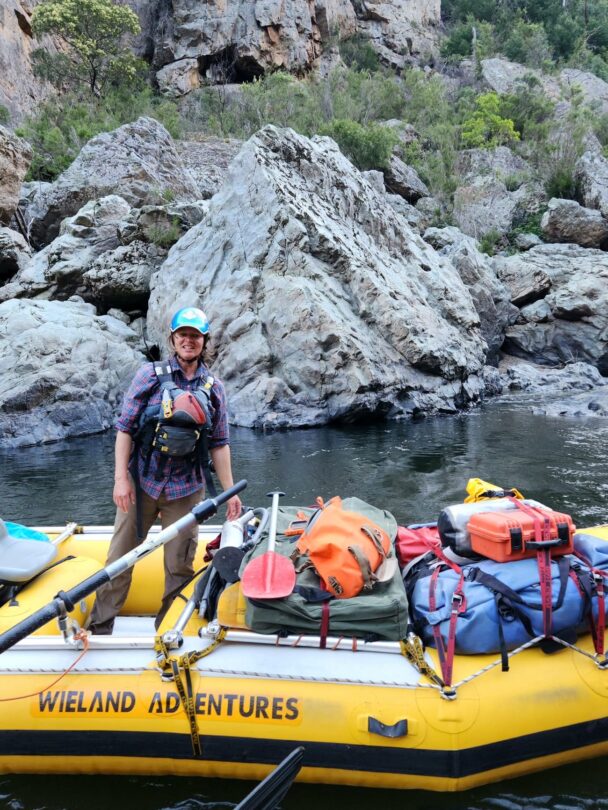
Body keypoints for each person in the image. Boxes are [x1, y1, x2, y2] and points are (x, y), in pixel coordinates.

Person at [88, 306, 242, 634]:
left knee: (179, 567)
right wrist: (120, 480)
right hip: (141, 482)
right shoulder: (149, 376)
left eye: (195, 335)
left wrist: (229, 493)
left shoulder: (215, 387)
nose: (189, 340)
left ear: (204, 341)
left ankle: (168, 632)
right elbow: (125, 429)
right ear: (173, 339)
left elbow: (219, 443)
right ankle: (99, 628)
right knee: (120, 560)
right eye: (183, 334)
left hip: (186, 490)